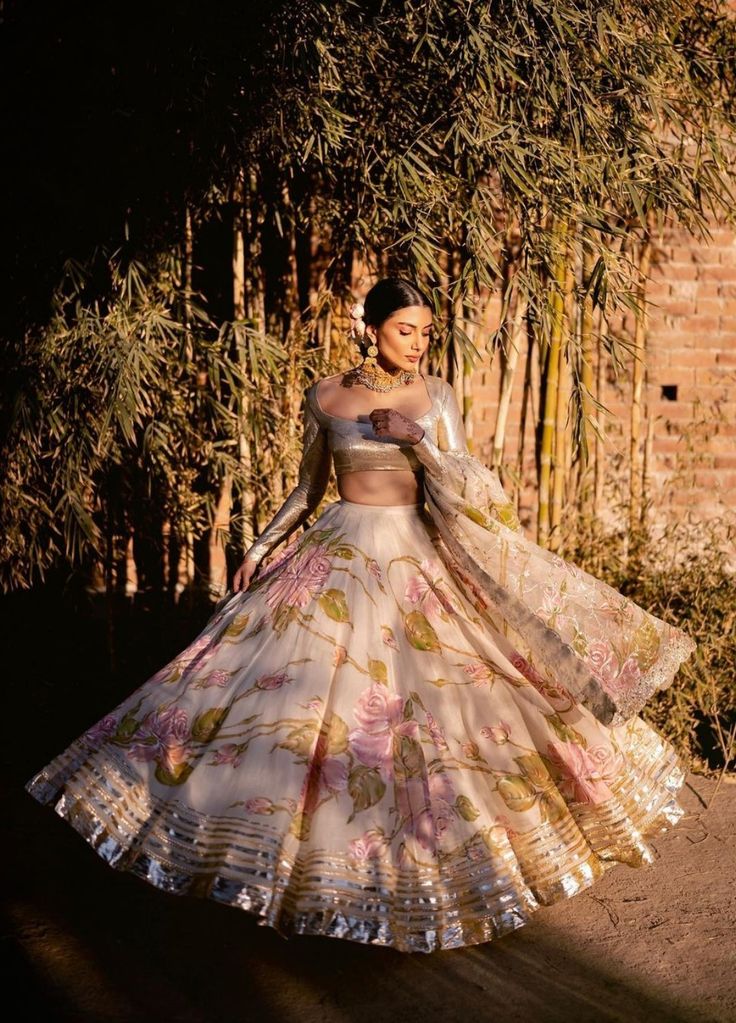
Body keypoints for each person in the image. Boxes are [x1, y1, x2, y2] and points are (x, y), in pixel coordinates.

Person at [25, 277, 696, 953]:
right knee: (287, 700)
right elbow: (308, 484)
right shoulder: (325, 395)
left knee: (445, 704)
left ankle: (435, 869)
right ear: (368, 326)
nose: (419, 342)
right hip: (336, 556)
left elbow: (473, 484)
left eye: (427, 331)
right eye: (407, 329)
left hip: (415, 562)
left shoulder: (434, 397)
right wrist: (261, 547)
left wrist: (420, 440)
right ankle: (293, 869)